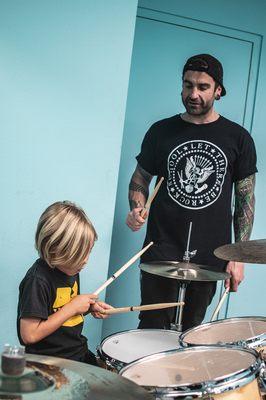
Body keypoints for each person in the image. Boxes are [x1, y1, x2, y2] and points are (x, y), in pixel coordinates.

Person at [126, 54, 257, 331]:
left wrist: (239, 256)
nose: (193, 94)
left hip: (211, 257)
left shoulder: (239, 138)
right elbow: (139, 178)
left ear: (218, 90)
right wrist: (137, 206)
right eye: (188, 85)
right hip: (160, 251)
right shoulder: (161, 131)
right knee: (151, 330)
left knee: (191, 334)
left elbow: (245, 199)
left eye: (202, 87)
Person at [17, 200, 111, 365]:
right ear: (56, 249)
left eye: (88, 252)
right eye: (79, 254)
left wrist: (88, 307)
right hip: (49, 362)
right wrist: (73, 307)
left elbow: (59, 312)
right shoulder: (37, 280)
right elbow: (29, 335)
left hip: (76, 353)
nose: (86, 261)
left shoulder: (71, 269)